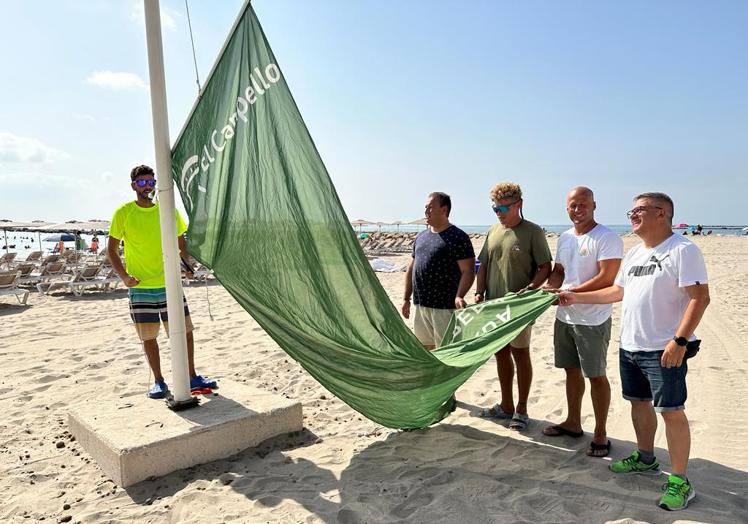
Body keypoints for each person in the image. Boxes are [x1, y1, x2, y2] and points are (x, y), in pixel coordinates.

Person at [558, 192, 710, 511]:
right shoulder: (636, 253)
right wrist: (575, 296)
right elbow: (617, 291)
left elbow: (700, 297)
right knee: (638, 404)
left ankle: (681, 481)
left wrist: (679, 341)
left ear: (662, 213)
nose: (632, 215)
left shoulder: (683, 250)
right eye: (631, 210)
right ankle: (645, 458)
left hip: (664, 348)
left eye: (639, 210)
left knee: (671, 411)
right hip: (631, 346)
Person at [108, 165, 217, 399]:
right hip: (141, 288)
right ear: (133, 186)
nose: (147, 186)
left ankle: (192, 377)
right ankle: (158, 381)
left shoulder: (167, 210)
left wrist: (187, 266)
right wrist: (124, 277)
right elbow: (112, 250)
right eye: (141, 183)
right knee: (149, 336)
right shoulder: (123, 213)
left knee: (185, 331)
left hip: (170, 284)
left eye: (150, 182)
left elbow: (181, 242)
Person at [541, 187, 623, 458]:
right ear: (567, 208)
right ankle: (573, 423)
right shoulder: (564, 238)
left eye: (583, 205)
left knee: (596, 375)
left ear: (594, 206)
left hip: (593, 319)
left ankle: (600, 432)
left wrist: (573, 294)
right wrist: (549, 290)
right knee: (571, 371)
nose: (578, 210)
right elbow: (559, 272)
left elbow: (606, 277)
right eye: (573, 205)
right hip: (565, 316)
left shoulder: (607, 237)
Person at [475, 182, 552, 431]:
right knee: (500, 354)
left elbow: (544, 267)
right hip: (494, 306)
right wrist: (478, 293)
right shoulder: (493, 231)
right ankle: (506, 405)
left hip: (518, 308)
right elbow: (483, 266)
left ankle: (521, 408)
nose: (499, 212)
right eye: (495, 207)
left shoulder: (532, 232)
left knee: (521, 354)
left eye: (504, 207)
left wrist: (531, 288)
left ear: (518, 204)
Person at [402, 192, 475, 350]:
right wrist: (406, 298)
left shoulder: (458, 237)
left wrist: (460, 295)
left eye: (430, 207)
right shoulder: (421, 236)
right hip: (421, 306)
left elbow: (468, 271)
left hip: (445, 308)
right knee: (426, 351)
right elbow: (411, 268)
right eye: (425, 208)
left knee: (447, 352)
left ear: (444, 209)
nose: (426, 211)